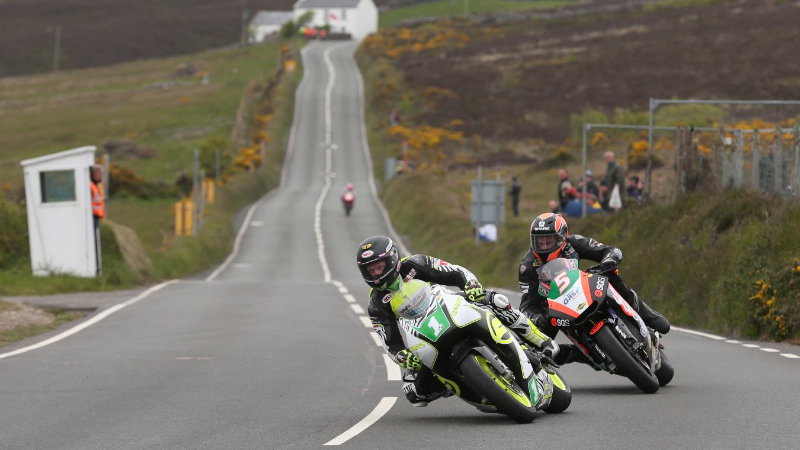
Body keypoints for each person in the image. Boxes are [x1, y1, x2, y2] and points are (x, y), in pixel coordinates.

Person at [357, 235, 558, 407]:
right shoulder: (376, 303)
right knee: (414, 393)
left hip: (448, 303)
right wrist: (403, 356)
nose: (376, 274)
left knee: (495, 300)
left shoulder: (415, 264)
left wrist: (470, 285)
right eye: (370, 271)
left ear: (392, 259)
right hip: (422, 331)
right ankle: (459, 385)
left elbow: (455, 271)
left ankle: (539, 339)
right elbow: (389, 343)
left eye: (379, 267)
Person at [517, 213, 670, 366]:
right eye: (540, 242)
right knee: (533, 345)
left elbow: (611, 250)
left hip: (581, 287)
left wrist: (608, 261)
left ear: (562, 237)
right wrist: (536, 318)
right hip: (555, 308)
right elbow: (527, 305)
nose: (544, 246)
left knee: (611, 274)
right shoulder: (527, 266)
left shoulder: (574, 242)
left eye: (548, 241)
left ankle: (646, 315)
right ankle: (579, 354)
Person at [90, 165, 105, 275]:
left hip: (97, 216)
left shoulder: (97, 186)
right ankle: (95, 268)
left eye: (100, 173)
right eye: (97, 173)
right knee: (93, 242)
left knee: (96, 242)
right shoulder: (91, 186)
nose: (99, 176)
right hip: (91, 217)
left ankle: (97, 267)